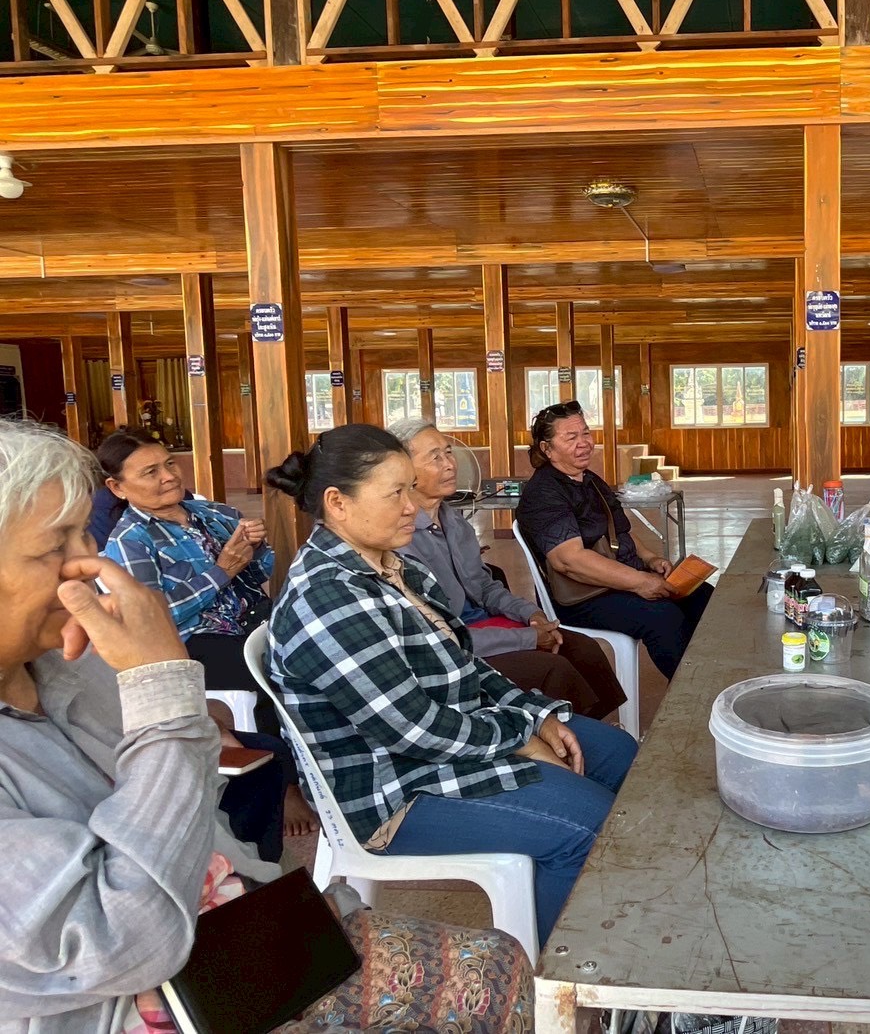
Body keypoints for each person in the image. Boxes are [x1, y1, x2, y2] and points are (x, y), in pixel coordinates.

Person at [0, 419, 532, 1034]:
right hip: (148, 1002)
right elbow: (123, 941)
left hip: (244, 926)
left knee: (500, 963)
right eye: (54, 547)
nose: (87, 566)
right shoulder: (308, 587)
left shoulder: (69, 667)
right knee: (486, 986)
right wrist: (164, 688)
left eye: (81, 535)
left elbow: (199, 815)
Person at [265, 425, 637, 946]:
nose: (411, 507)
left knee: (620, 755)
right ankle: (557, 976)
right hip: (394, 790)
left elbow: (465, 664)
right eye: (395, 493)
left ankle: (621, 911)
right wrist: (519, 737)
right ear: (337, 503)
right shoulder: (328, 599)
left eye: (409, 488)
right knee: (587, 825)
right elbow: (413, 730)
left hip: (450, 742)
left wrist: (534, 716)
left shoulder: (394, 567)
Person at [96, 428, 318, 840]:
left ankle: (329, 761)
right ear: (117, 487)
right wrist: (222, 570)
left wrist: (255, 548)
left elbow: (259, 574)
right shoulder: (130, 542)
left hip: (253, 619)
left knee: (320, 649)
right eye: (149, 472)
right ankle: (286, 785)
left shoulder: (213, 513)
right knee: (272, 675)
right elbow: (156, 615)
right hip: (194, 640)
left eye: (169, 464)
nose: (168, 476)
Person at [388, 418, 626, 722]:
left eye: (448, 453)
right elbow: (441, 634)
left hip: (483, 623)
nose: (449, 464)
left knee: (582, 649)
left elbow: (485, 586)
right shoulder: (401, 538)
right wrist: (528, 638)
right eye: (435, 457)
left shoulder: (456, 523)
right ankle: (560, 738)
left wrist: (530, 614)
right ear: (404, 470)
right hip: (454, 645)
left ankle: (586, 733)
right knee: (553, 668)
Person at [516, 402, 712, 680]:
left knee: (701, 596)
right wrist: (640, 582)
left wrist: (650, 559)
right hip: (582, 596)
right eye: (571, 438)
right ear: (547, 449)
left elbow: (619, 532)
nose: (584, 443)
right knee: (663, 616)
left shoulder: (590, 480)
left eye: (586, 433)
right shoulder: (544, 493)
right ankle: (690, 690)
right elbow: (569, 561)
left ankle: (709, 676)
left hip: (616, 579)